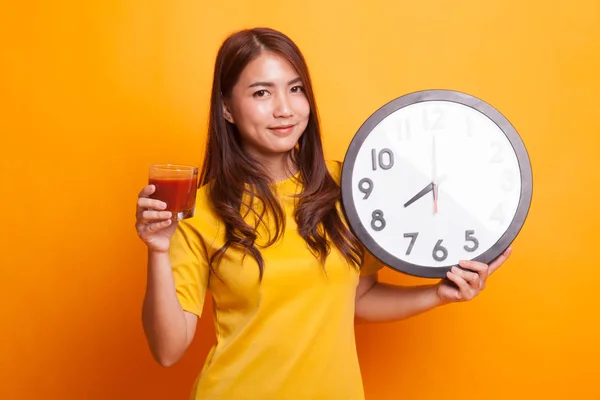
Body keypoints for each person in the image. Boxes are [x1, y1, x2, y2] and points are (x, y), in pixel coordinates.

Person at [135, 27, 512, 400]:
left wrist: (439, 294)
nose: (284, 109)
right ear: (227, 109)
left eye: (295, 89)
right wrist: (158, 249)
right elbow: (168, 350)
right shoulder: (199, 210)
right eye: (262, 92)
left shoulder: (349, 185)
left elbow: (356, 299)